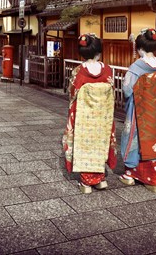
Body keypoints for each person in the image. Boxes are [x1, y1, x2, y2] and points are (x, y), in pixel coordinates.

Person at [119, 28, 156, 193]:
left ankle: (131, 173)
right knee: (154, 139)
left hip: (140, 110)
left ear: (140, 48)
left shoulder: (136, 67)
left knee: (134, 137)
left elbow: (127, 90)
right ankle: (153, 176)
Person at [62, 33, 117, 194]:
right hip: (103, 117)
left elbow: (72, 94)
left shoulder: (79, 71)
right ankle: (100, 179)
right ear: (99, 52)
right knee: (101, 141)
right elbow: (112, 91)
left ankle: (86, 182)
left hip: (84, 117)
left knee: (85, 144)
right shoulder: (107, 70)